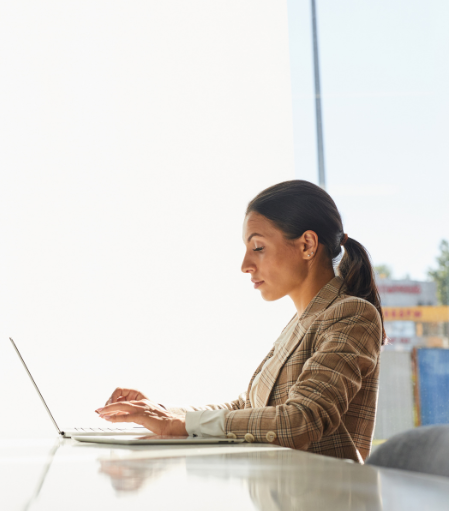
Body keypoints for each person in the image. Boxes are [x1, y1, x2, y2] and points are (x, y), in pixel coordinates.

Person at [95, 180, 386, 462]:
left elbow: (301, 421)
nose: (245, 265)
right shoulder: (301, 323)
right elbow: (246, 406)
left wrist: (179, 423)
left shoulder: (351, 314)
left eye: (258, 247)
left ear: (307, 245)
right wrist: (164, 413)